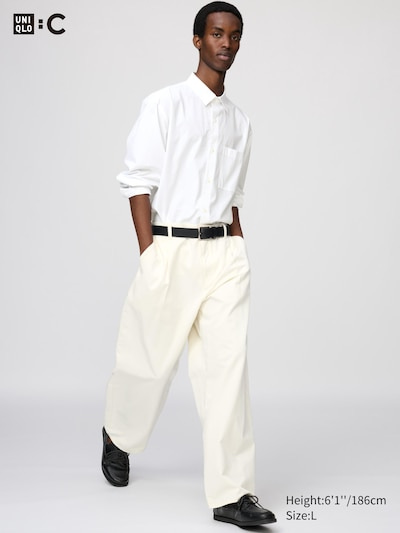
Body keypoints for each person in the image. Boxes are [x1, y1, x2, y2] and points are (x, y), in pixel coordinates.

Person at [101, 2, 277, 527]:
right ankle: (118, 433)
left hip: (223, 255)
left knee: (227, 373)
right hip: (170, 248)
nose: (227, 44)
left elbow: (234, 195)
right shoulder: (165, 104)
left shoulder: (241, 122)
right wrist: (150, 252)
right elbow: (138, 180)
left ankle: (232, 494)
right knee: (147, 363)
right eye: (217, 34)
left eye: (235, 36)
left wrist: (237, 244)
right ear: (198, 40)